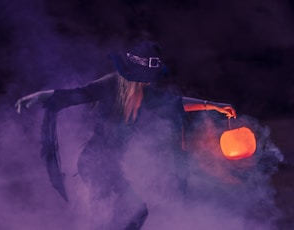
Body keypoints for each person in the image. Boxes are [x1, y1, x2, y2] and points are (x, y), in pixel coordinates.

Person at [15, 41, 236, 230]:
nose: (149, 82)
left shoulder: (145, 94)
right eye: (146, 77)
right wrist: (39, 96)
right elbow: (78, 94)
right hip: (94, 163)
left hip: (111, 166)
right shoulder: (110, 84)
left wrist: (212, 106)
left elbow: (175, 103)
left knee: (135, 214)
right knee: (107, 218)